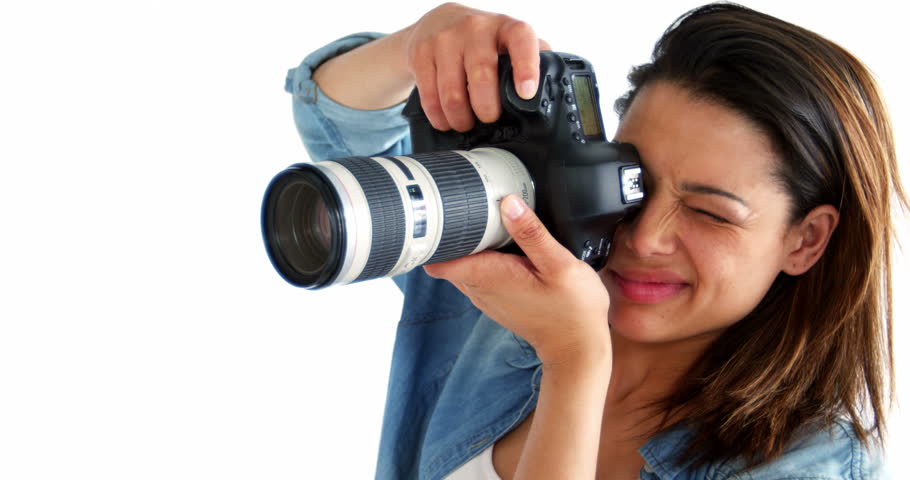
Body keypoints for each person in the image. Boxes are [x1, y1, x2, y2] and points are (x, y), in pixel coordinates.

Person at [283, 2, 904, 479]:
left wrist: (574, 361)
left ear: (806, 240)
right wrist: (420, 44)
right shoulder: (507, 278)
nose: (645, 237)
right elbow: (337, 128)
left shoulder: (812, 465)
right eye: (632, 180)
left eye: (709, 213)